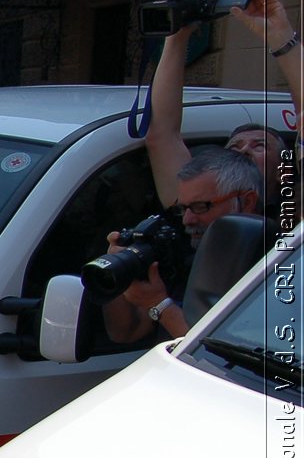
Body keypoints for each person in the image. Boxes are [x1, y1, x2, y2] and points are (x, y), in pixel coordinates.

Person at [146, 0, 301, 213]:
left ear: (282, 171)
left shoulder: (294, 224)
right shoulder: (194, 205)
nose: (244, 150)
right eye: (234, 147)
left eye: (260, 146)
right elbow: (162, 136)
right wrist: (177, 35)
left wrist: (281, 37)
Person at [103, 147, 262, 343]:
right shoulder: (190, 257)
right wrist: (119, 270)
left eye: (200, 206)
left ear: (247, 201)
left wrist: (159, 304)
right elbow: (126, 332)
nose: (188, 219)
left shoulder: (275, 266)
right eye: (183, 208)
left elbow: (222, 354)